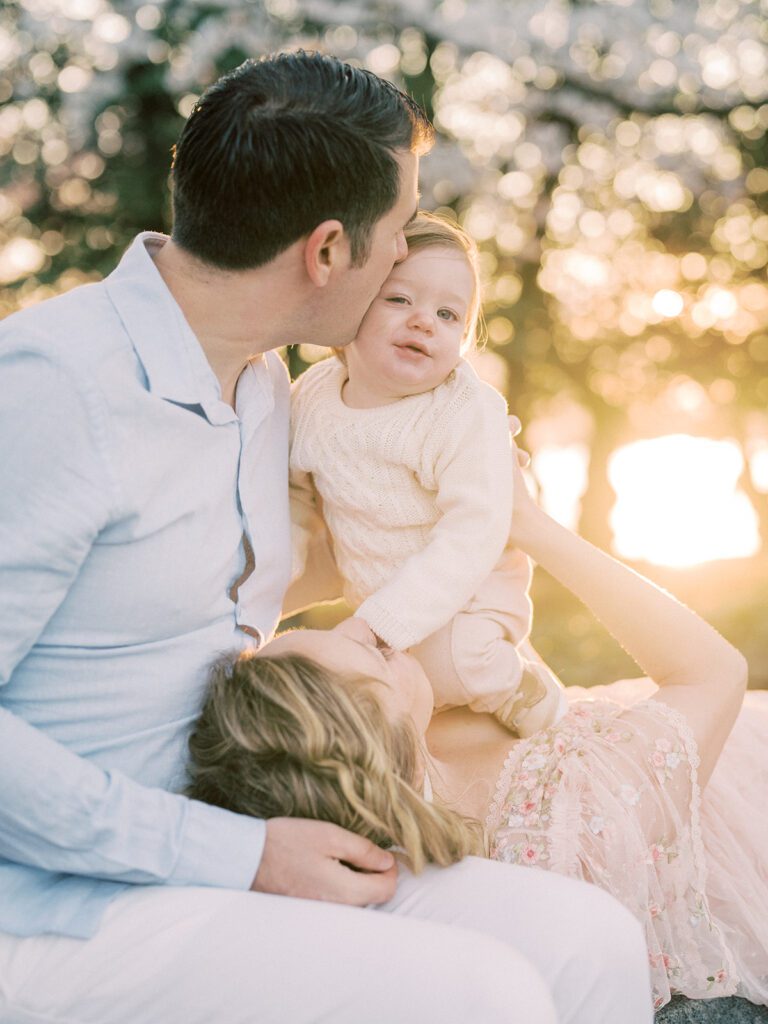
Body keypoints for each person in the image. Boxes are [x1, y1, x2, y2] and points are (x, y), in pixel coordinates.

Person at [0, 51, 653, 1024]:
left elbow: (217, 585)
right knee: (486, 994)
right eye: (400, 232)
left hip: (239, 830)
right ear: (327, 252)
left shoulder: (268, 388)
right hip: (56, 904)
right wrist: (239, 854)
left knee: (590, 939)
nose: (411, 258)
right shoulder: (51, 391)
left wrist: (452, 495)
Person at [187, 437, 765, 1014]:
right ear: (381, 736)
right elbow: (712, 672)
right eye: (375, 654)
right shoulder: (572, 813)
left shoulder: (408, 750)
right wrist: (533, 527)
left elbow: (513, 668)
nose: (364, 625)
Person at [290, 211, 567, 736]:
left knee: (456, 663)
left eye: (448, 315)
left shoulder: (463, 411)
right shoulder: (314, 396)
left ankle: (527, 692)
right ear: (352, 303)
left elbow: (474, 532)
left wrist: (377, 628)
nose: (423, 321)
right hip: (379, 600)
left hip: (471, 597)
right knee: (373, 691)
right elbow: (294, 497)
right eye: (399, 299)